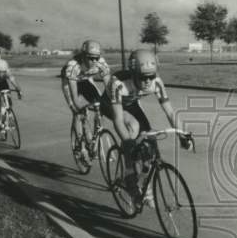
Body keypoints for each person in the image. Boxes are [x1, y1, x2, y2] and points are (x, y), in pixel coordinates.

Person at [102, 48, 192, 204]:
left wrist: (182, 135)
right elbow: (118, 119)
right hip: (111, 105)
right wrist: (128, 143)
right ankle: (129, 177)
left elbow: (170, 112)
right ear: (133, 73)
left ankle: (144, 181)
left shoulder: (156, 82)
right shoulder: (119, 84)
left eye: (151, 76)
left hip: (130, 104)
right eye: (143, 77)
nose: (148, 81)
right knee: (133, 128)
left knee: (150, 140)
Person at [61, 39, 111, 157]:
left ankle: (93, 141)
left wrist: (108, 103)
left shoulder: (101, 63)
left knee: (100, 106)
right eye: (90, 58)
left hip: (86, 81)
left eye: (96, 58)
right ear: (83, 56)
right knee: (78, 112)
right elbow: (75, 96)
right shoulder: (73, 65)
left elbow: (109, 87)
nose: (94, 61)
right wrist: (81, 108)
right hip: (70, 83)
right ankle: (79, 144)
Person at [0, 55, 22, 131]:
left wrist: (18, 89)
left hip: (3, 83)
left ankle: (8, 116)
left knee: (8, 100)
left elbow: (13, 81)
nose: (2, 74)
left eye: (3, 72)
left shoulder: (7, 71)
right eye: (0, 72)